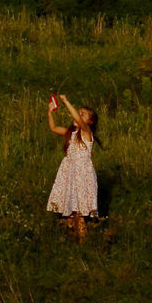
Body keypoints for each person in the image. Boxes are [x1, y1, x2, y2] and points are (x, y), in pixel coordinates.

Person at [47, 92, 99, 240]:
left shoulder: (86, 132)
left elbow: (77, 119)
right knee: (70, 213)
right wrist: (49, 112)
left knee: (80, 214)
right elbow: (54, 128)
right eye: (79, 113)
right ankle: (72, 241)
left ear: (89, 122)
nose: (78, 115)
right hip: (70, 174)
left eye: (83, 114)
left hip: (82, 177)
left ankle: (83, 243)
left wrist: (66, 102)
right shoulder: (71, 133)